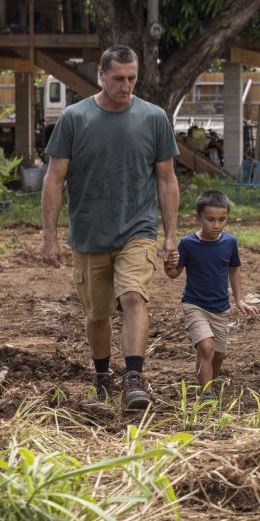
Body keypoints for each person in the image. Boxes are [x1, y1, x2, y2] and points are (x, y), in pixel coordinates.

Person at [41, 45, 180, 411]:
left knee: (133, 296)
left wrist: (169, 235)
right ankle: (102, 374)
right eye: (118, 78)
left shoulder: (153, 118)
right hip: (89, 234)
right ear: (101, 75)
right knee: (97, 314)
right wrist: (50, 237)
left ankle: (133, 376)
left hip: (138, 229)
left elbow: (166, 180)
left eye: (132, 78)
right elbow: (54, 180)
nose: (126, 85)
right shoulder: (74, 118)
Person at [164, 189, 259, 401]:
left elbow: (234, 269)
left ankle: (208, 387)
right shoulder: (187, 244)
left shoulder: (229, 243)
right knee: (206, 347)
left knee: (218, 354)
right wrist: (167, 263)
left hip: (220, 308)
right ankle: (206, 394)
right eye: (210, 220)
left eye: (222, 220)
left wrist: (239, 299)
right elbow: (173, 273)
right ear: (198, 218)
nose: (216, 225)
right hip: (195, 305)